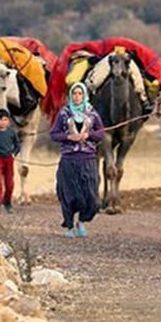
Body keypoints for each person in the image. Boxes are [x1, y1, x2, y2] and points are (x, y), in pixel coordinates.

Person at [50, 82, 105, 237]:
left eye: (80, 93)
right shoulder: (64, 113)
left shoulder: (92, 113)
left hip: (88, 160)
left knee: (90, 196)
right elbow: (54, 134)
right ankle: (69, 226)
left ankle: (81, 221)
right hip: (69, 160)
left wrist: (89, 135)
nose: (77, 96)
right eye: (74, 93)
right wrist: (68, 137)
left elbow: (101, 133)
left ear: (85, 95)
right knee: (68, 194)